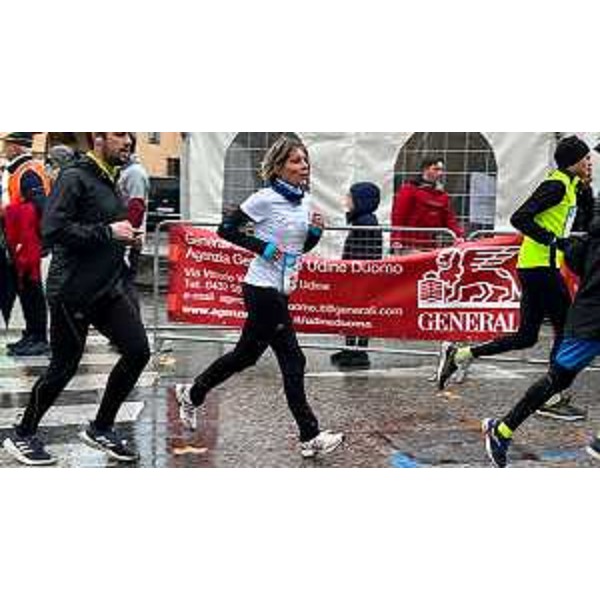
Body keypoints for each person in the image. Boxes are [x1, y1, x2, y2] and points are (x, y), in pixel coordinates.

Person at [174, 136, 344, 458]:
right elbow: (226, 229)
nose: (304, 166)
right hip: (261, 288)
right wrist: (261, 247)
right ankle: (310, 436)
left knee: (245, 356)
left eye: (305, 160)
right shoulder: (264, 199)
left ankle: (192, 393)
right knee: (293, 359)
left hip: (282, 287)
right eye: (296, 161)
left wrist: (315, 233)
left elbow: (297, 249)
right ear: (279, 167)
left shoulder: (304, 201)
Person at [2, 132, 151, 466]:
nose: (128, 141)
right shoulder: (74, 176)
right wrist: (108, 232)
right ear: (98, 137)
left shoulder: (109, 177)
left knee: (138, 351)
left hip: (106, 286)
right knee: (64, 367)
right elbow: (52, 229)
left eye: (130, 134)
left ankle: (101, 427)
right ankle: (22, 434)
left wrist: (125, 238)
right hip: (73, 290)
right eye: (119, 134)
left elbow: (101, 226)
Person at [436, 135, 594, 422]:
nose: (590, 162)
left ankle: (461, 355)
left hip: (538, 267)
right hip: (540, 267)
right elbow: (520, 218)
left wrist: (586, 191)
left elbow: (585, 221)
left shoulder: (571, 185)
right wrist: (554, 241)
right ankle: (552, 398)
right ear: (573, 161)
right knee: (565, 327)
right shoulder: (556, 185)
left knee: (527, 336)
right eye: (586, 158)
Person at [482, 201, 600, 467]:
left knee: (557, 379)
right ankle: (501, 429)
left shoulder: (589, 238)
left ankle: (502, 430)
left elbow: (574, 259)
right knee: (557, 379)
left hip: (586, 318)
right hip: (590, 322)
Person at [1, 132, 51, 356]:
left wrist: (7, 212)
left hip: (27, 240)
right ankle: (32, 334)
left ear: (17, 147)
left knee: (31, 289)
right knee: (25, 288)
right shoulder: (20, 169)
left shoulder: (27, 171)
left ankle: (38, 337)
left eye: (7, 145)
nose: (4, 149)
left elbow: (40, 206)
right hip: (21, 239)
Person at [330, 182, 383, 369]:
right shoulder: (363, 220)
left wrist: (351, 272)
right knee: (354, 312)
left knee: (356, 313)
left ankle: (358, 352)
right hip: (359, 276)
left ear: (362, 201)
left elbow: (364, 252)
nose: (347, 200)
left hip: (360, 277)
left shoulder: (365, 222)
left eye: (350, 197)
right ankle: (351, 349)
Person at [390, 156, 464, 255]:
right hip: (410, 244)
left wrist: (458, 235)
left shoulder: (442, 194)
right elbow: (399, 216)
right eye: (436, 169)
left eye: (441, 170)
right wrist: (396, 239)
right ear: (425, 169)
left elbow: (449, 218)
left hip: (430, 245)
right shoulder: (409, 190)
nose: (440, 173)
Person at [117, 133, 150, 282]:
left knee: (124, 286)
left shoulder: (134, 173)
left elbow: (136, 208)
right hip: (122, 239)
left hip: (127, 244)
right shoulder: (123, 170)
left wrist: (127, 243)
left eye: (124, 148)